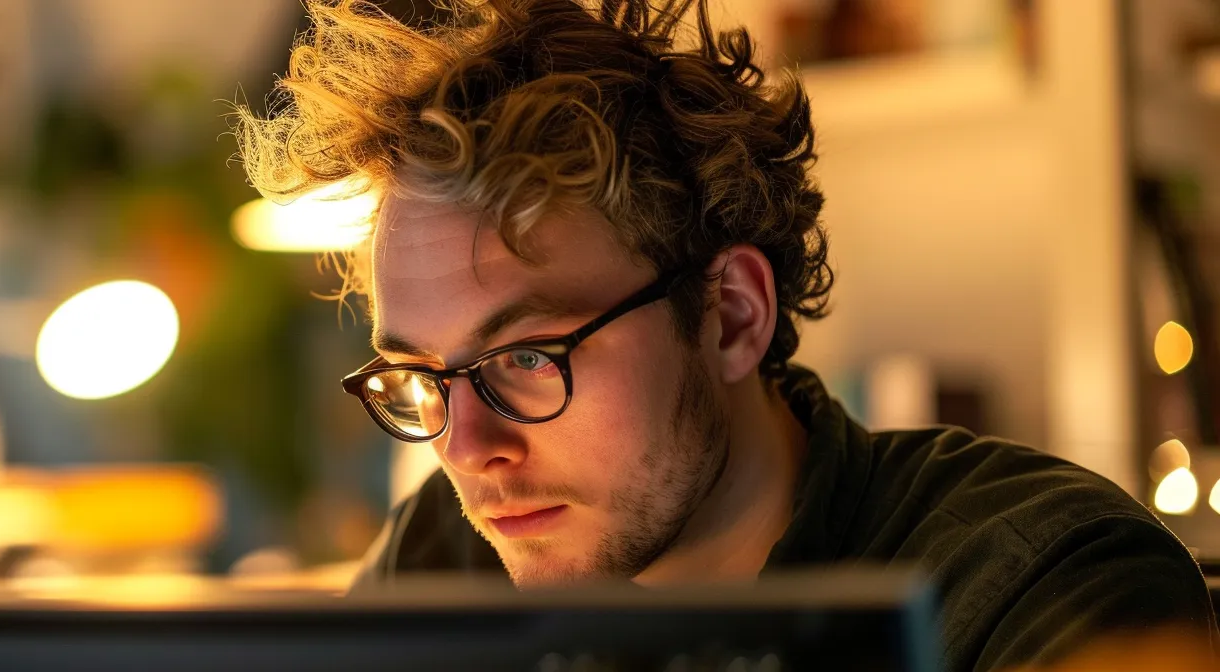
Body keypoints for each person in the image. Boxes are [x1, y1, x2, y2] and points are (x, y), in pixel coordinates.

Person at [232, 0, 1216, 670]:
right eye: (420, 377)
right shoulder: (443, 564)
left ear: (732, 315)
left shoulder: (1037, 582)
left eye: (527, 358)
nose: (467, 450)